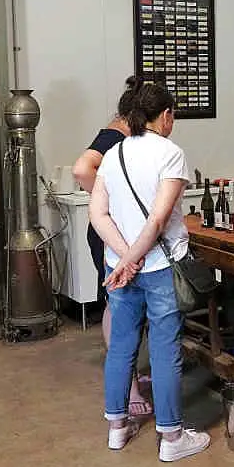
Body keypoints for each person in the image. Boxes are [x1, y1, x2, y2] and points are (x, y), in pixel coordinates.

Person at [89, 82, 211, 461]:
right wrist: (135, 259)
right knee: (163, 349)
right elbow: (159, 219)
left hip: (120, 268)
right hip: (158, 267)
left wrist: (124, 258)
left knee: (121, 346)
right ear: (166, 115)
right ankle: (173, 439)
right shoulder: (170, 154)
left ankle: (117, 429)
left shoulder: (114, 154)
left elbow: (97, 214)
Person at [72, 76, 151, 417]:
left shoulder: (124, 136)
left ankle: (132, 376)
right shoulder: (113, 136)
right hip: (111, 232)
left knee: (124, 303)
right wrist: (105, 203)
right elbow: (81, 169)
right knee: (117, 305)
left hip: (118, 230)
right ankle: (129, 386)